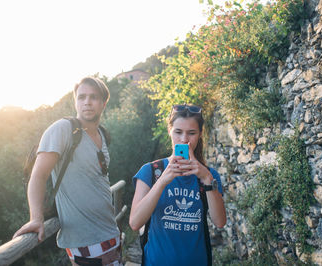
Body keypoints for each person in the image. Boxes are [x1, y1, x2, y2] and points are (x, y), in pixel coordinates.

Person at [13, 76, 122, 266]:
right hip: (85, 241)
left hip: (110, 234)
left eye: (93, 97)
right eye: (82, 97)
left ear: (103, 103)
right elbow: (38, 175)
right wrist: (36, 218)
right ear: (75, 101)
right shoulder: (63, 129)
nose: (87, 102)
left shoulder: (102, 134)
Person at [129, 104, 226, 266]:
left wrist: (207, 179)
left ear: (200, 134)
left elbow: (220, 222)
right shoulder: (151, 171)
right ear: (169, 131)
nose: (184, 140)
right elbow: (135, 223)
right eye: (178, 132)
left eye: (192, 133)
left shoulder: (210, 175)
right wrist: (162, 181)